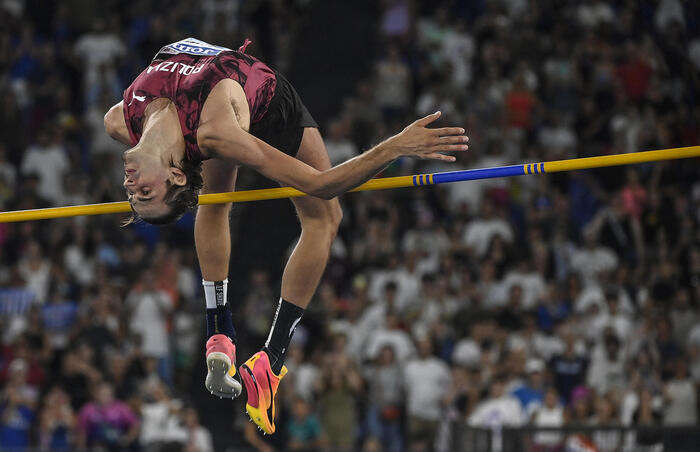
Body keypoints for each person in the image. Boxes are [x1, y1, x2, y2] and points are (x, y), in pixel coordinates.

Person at [103, 37, 469, 434]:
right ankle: (270, 359)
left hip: (210, 116)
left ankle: (220, 333)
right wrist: (395, 146)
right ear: (175, 174)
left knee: (214, 196)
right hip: (266, 108)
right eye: (144, 193)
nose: (129, 186)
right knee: (324, 218)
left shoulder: (120, 120)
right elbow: (323, 184)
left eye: (133, 195)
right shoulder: (215, 136)